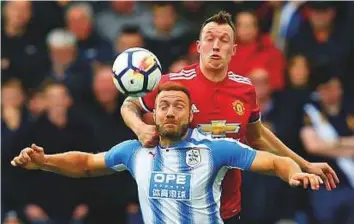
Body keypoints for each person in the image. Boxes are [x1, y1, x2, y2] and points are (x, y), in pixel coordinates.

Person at [120, 10, 339, 223]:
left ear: (233, 49)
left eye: (224, 40)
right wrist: (140, 128)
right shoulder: (175, 83)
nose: (216, 46)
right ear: (198, 46)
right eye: (209, 38)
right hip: (180, 210)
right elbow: (129, 105)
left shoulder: (244, 90)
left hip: (228, 209)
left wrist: (304, 165)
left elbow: (258, 136)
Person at [11, 82, 323, 224]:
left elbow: (274, 161)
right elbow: (86, 163)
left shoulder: (215, 148)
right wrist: (45, 161)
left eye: (178, 106)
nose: (170, 112)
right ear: (154, 115)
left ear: (190, 115)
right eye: (163, 106)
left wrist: (294, 172)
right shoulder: (135, 151)